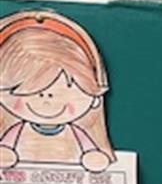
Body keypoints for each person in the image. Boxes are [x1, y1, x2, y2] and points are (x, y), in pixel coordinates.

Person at [0, 9, 115, 171]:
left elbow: (91, 152)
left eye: (67, 87)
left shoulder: (76, 132)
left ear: (94, 96)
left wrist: (94, 158)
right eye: (28, 90)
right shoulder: (17, 131)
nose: (46, 98)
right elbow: (5, 149)